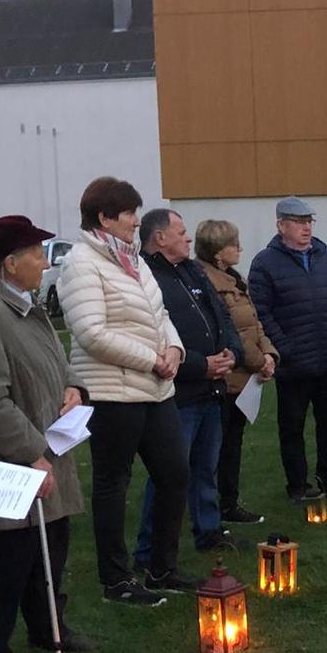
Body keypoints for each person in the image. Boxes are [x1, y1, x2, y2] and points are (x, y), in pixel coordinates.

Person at [0, 215, 96, 653]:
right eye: (36, 255)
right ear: (10, 264)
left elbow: (55, 359)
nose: (44, 263)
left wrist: (73, 388)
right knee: (3, 558)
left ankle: (49, 628)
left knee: (48, 551)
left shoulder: (26, 305)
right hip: (10, 462)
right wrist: (32, 452)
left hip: (47, 452)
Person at [57, 176, 193, 606]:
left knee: (175, 473)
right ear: (104, 218)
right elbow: (91, 333)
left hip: (155, 389)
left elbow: (160, 314)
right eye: (129, 213)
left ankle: (161, 567)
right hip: (111, 392)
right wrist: (152, 359)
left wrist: (174, 349)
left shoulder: (133, 260)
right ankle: (116, 579)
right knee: (113, 484)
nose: (137, 221)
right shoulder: (82, 263)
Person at [132, 209, 243, 559]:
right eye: (181, 232)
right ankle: (150, 549)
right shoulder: (144, 276)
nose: (188, 238)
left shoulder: (192, 269)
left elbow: (221, 316)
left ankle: (208, 531)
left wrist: (231, 352)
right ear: (160, 237)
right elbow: (154, 337)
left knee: (206, 469)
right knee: (168, 473)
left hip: (212, 388)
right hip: (177, 394)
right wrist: (200, 365)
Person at [248, 197, 327, 503]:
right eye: (298, 222)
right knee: (292, 427)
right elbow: (261, 312)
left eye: (309, 222)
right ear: (281, 225)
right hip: (293, 364)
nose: (306, 228)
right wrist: (284, 347)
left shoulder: (326, 258)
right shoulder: (265, 263)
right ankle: (297, 484)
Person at [195, 219, 278, 526]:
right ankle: (213, 509)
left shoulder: (235, 279)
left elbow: (254, 323)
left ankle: (228, 503)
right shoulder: (208, 283)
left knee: (232, 444)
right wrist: (259, 361)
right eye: (234, 244)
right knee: (217, 447)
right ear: (218, 252)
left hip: (245, 379)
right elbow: (233, 332)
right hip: (227, 378)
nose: (240, 249)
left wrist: (269, 353)